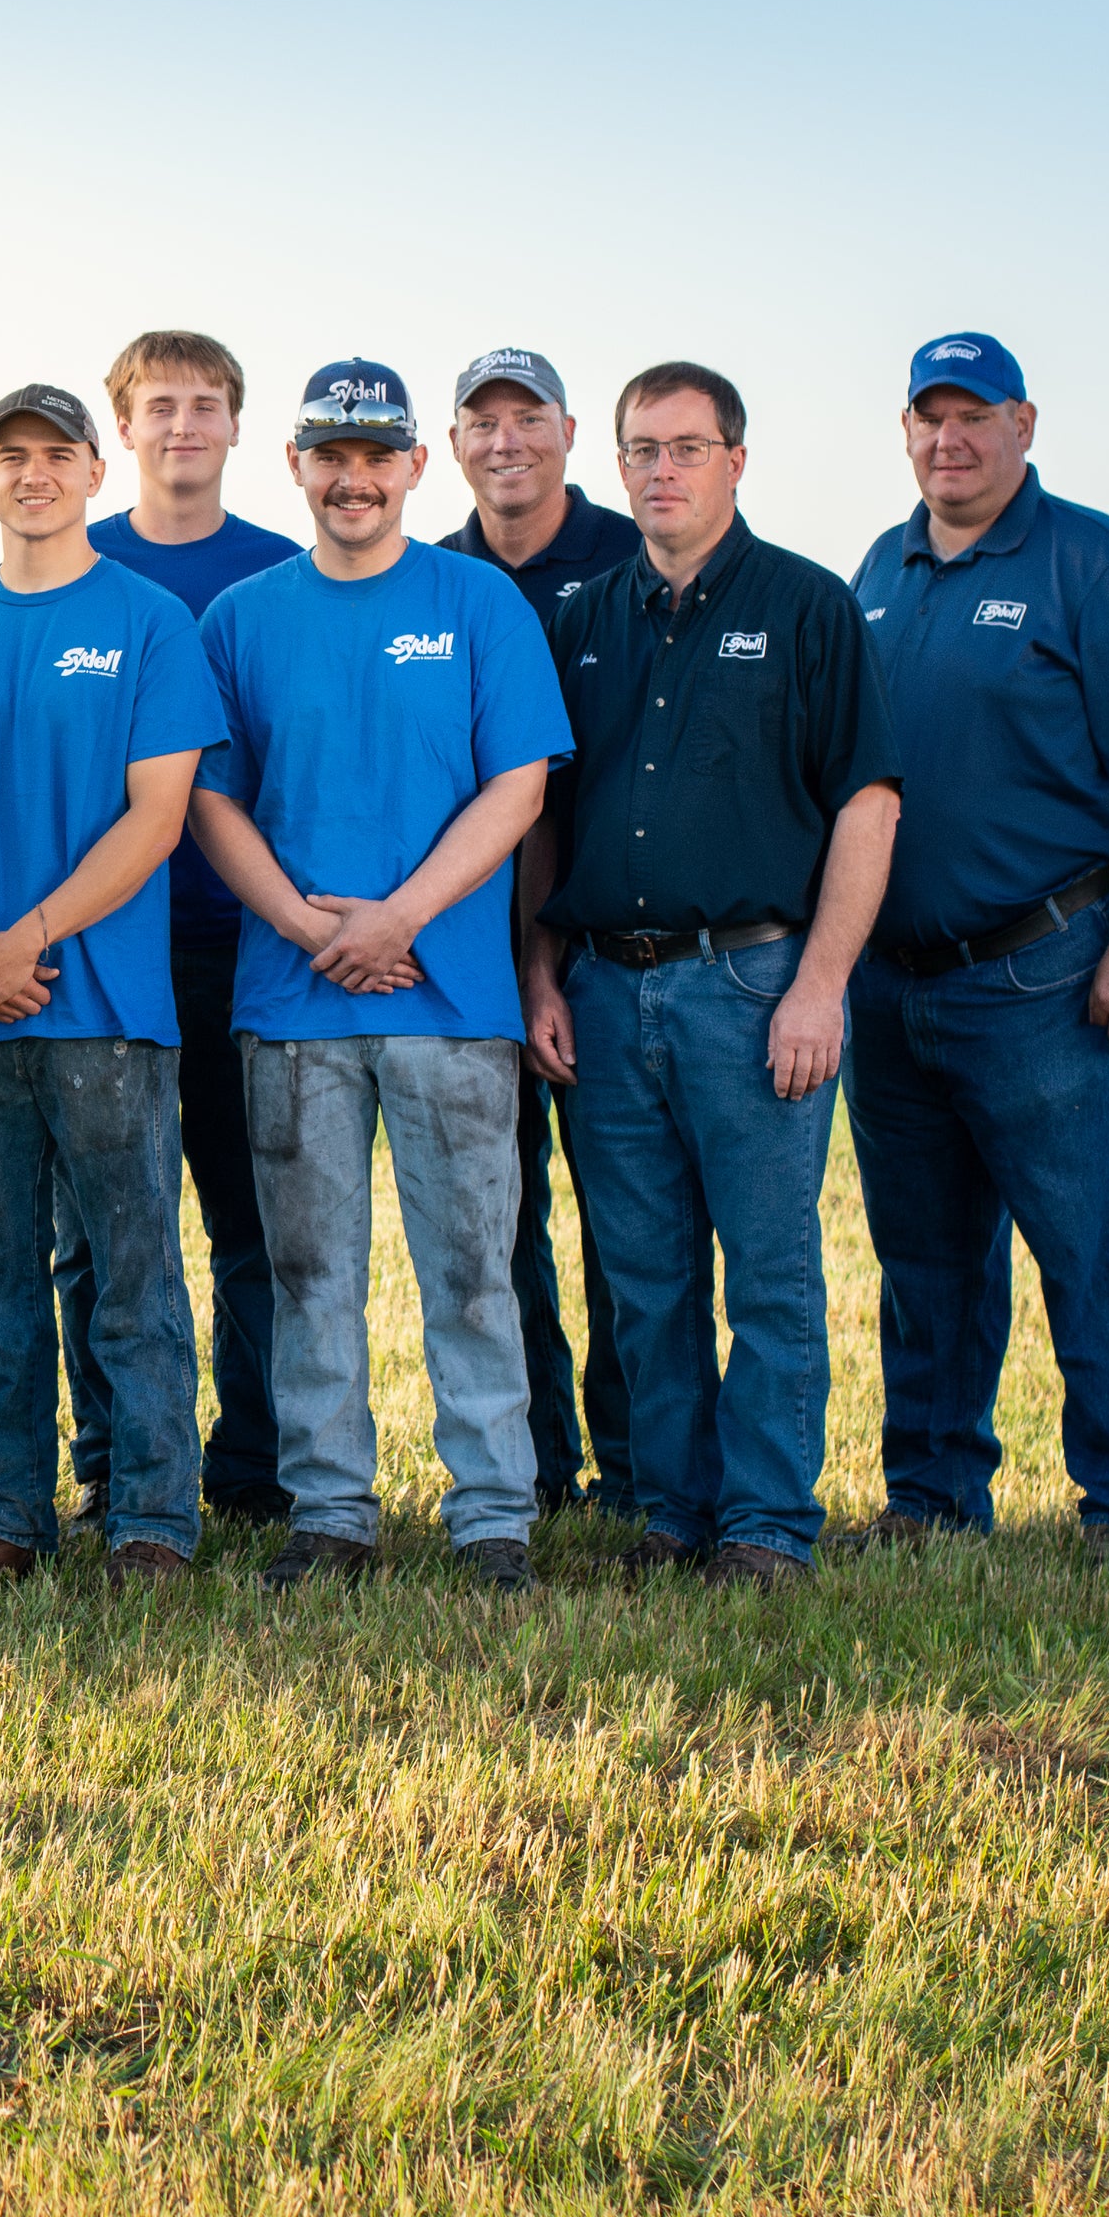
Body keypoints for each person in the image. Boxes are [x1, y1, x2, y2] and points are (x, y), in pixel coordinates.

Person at [187, 361, 570, 1596]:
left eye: (376, 456)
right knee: (310, 1277)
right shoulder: (241, 618)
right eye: (328, 456)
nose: (353, 479)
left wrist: (398, 915)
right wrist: (308, 924)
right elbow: (206, 797)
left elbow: (520, 785)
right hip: (293, 1004)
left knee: (472, 1268)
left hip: (450, 999)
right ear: (294, 466)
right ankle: (331, 1513)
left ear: (415, 465)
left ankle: (494, 1517)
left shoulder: (479, 604)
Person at [521, 362, 902, 1587]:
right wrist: (539, 971)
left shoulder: (805, 607)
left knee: (771, 1273)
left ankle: (766, 1526)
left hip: (750, 986)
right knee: (645, 1278)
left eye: (688, 447)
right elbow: (543, 818)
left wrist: (821, 983)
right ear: (616, 464)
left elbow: (868, 800)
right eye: (642, 449)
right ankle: (673, 1515)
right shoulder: (581, 619)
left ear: (737, 461)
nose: (663, 470)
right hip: (601, 986)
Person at [841, 333, 1109, 1555]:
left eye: (975, 416)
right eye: (928, 417)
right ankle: (933, 1498)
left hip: (1048, 972)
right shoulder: (877, 573)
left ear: (1025, 423)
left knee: (1098, 1246)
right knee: (927, 1263)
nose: (950, 440)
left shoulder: (1093, 565)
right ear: (904, 431)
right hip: (896, 988)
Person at [0, 384, 223, 1586]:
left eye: (57, 453)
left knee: (134, 1277)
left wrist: (21, 937)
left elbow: (159, 815)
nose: (34, 473)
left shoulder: (148, 621)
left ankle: (150, 1523)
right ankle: (3, 1520)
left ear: (94, 471)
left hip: (108, 1009)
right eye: (9, 454)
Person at [77, 331, 304, 1526]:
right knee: (102, 1227)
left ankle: (253, 1465)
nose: (180, 425)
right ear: (124, 428)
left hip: (236, 941)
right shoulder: (74, 560)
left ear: (234, 428)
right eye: (158, 405)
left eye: (203, 405)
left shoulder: (280, 570)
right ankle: (109, 1458)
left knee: (245, 1218)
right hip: (107, 940)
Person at [437, 347, 655, 1517]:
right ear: (454, 444)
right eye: (484, 420)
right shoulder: (433, 579)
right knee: (499, 1226)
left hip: (619, 947)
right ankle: (540, 1469)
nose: (506, 439)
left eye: (529, 417)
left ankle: (638, 1470)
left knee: (630, 1230)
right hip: (475, 955)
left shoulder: (638, 557)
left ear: (571, 433)